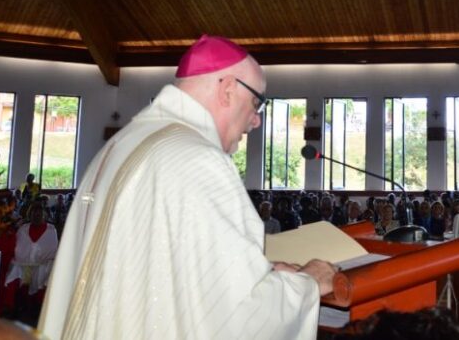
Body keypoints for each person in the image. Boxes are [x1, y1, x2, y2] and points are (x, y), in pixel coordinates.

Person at [39, 35, 335, 340]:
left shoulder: (121, 145)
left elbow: (158, 270)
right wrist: (308, 283)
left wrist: (259, 272)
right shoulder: (198, 160)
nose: (256, 120)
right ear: (228, 89)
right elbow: (234, 318)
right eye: (256, 103)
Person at [5, 201, 58, 319]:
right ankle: (17, 307)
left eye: (39, 214)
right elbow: (18, 247)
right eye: (34, 214)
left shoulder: (51, 230)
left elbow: (52, 249)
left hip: (43, 266)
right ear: (30, 215)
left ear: (44, 215)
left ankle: (38, 308)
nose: (37, 216)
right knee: (16, 275)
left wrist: (40, 260)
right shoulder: (23, 229)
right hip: (23, 265)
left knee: (44, 276)